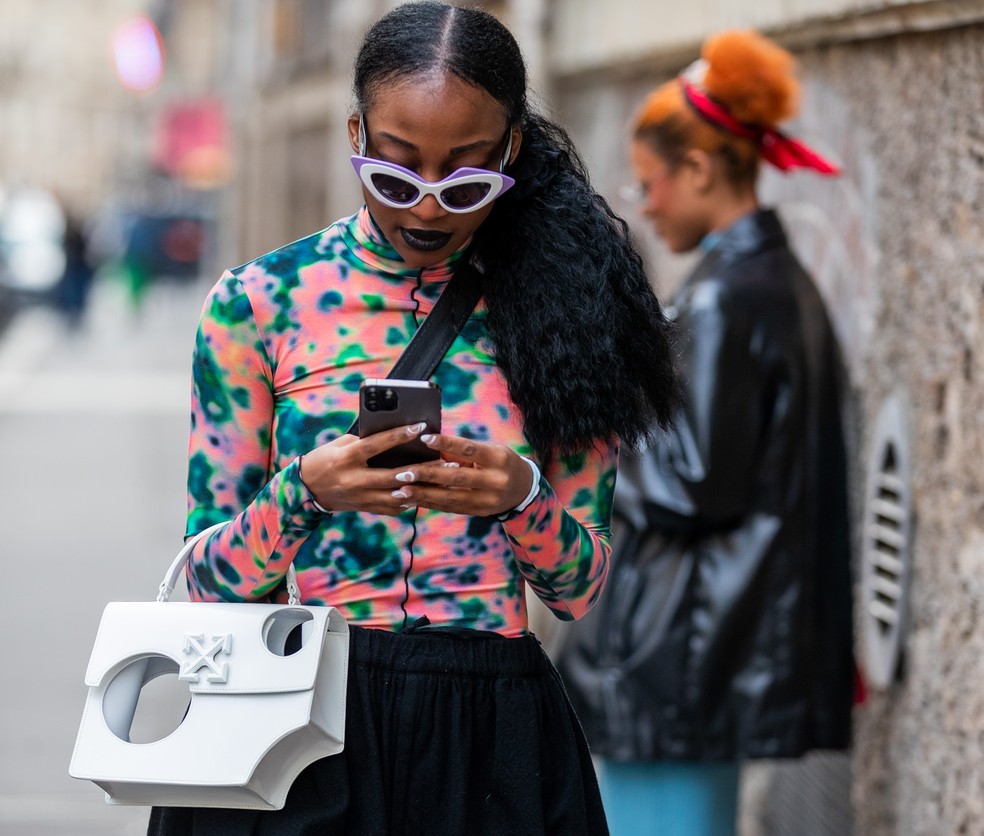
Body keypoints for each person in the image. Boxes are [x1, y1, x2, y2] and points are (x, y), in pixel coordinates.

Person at [147, 3, 679, 835]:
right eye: (396, 177)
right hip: (296, 718)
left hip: (489, 733)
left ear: (510, 150)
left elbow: (580, 590)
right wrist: (305, 495)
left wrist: (520, 498)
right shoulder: (258, 305)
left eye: (466, 182)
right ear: (355, 134)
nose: (428, 212)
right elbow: (208, 581)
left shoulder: (570, 313)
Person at [555, 29, 855, 836]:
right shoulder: (769, 280)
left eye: (651, 182)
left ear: (696, 171)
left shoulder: (728, 297)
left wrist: (592, 424)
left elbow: (695, 477)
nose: (644, 203)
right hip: (698, 647)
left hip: (675, 657)